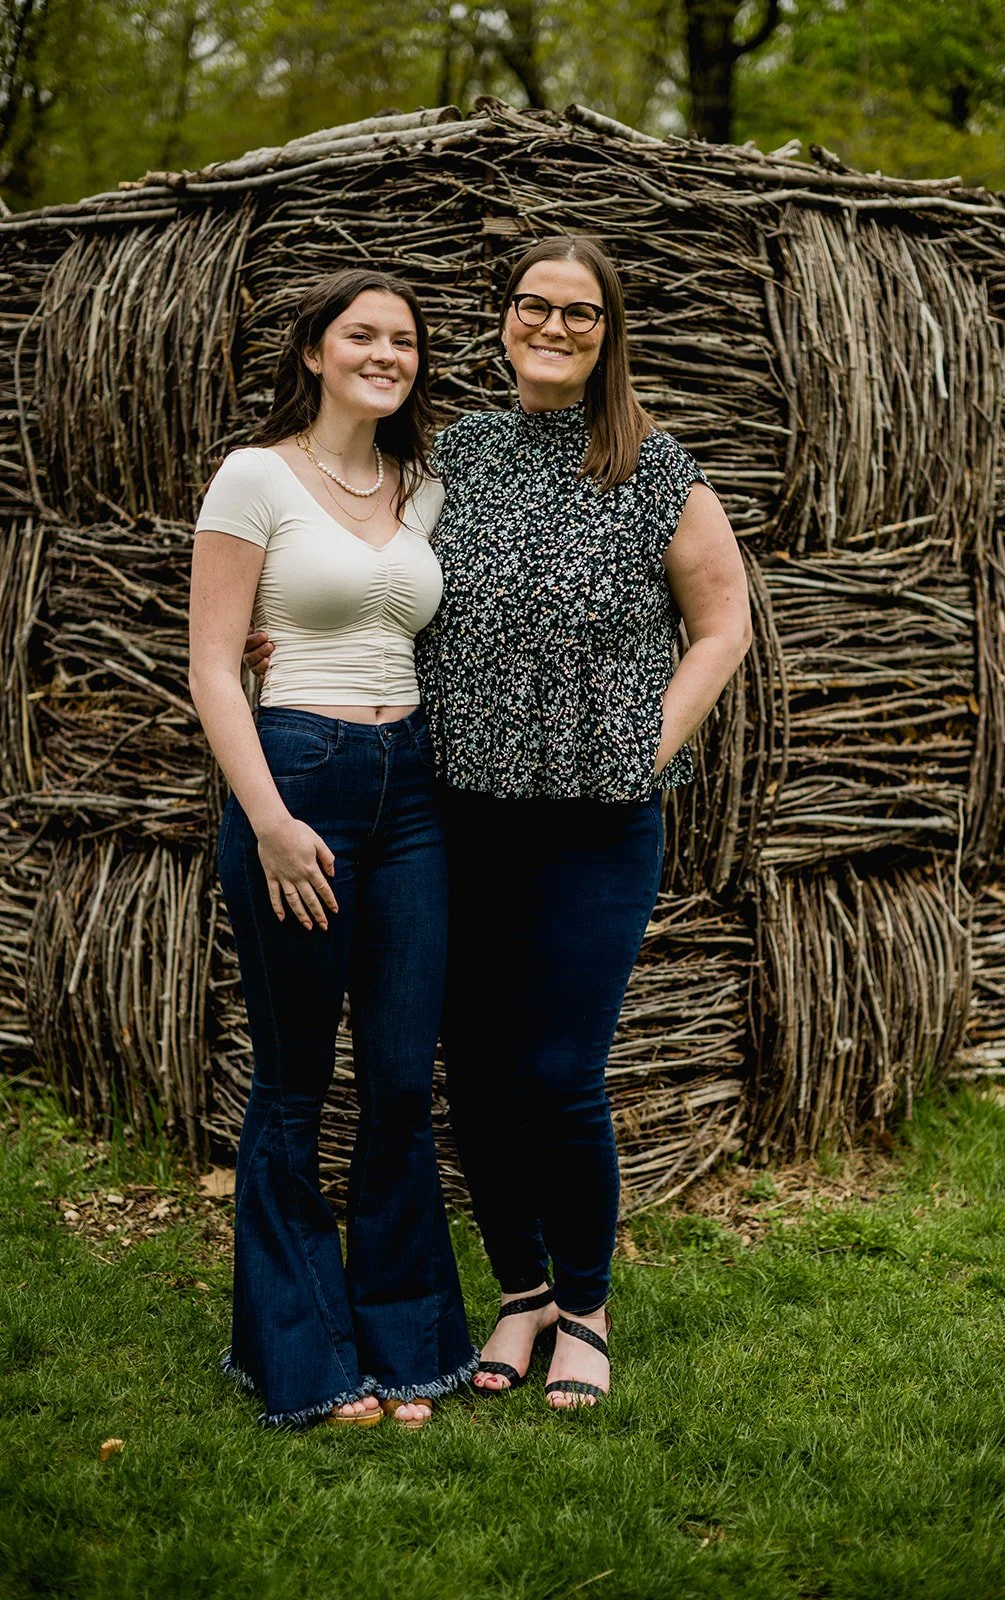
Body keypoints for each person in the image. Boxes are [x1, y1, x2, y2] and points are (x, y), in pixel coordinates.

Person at [247, 236, 752, 1409]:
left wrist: (647, 745)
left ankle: (585, 1304)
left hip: (593, 823)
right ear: (505, 318)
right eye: (535, 306)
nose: (555, 328)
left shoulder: (654, 466)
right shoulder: (455, 457)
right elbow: (372, 572)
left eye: (580, 313)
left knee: (560, 1071)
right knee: (467, 1066)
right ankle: (518, 1292)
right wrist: (282, 643)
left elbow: (721, 620)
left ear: (606, 331)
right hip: (456, 810)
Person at [189, 267, 477, 1430]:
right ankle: (302, 1356)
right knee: (297, 1082)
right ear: (313, 351)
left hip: (411, 792)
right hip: (295, 776)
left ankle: (407, 1345)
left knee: (403, 1080)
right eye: (361, 334)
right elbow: (214, 663)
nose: (385, 353)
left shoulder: (426, 486)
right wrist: (267, 819)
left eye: (403, 339)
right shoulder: (255, 475)